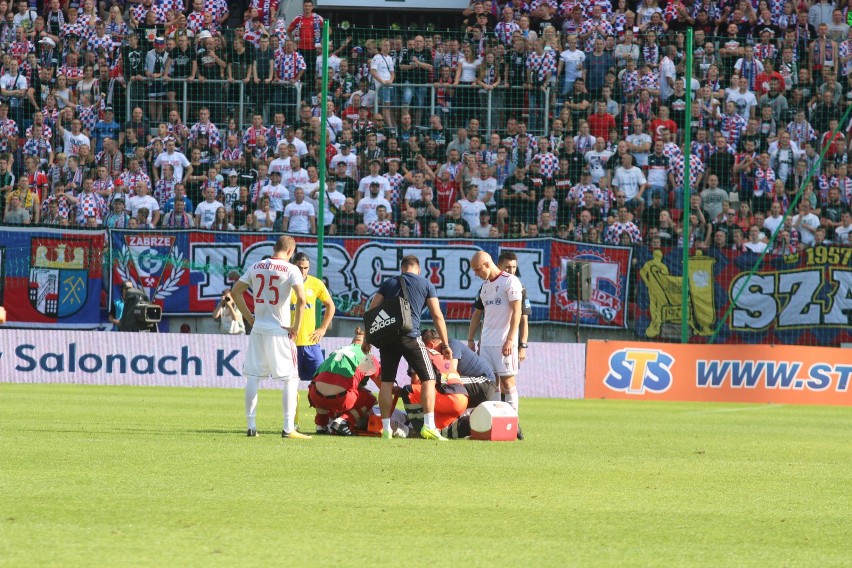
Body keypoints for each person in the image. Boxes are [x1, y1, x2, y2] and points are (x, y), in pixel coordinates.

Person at [361, 255, 453, 441]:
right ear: (418, 270)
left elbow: (371, 310)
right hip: (410, 336)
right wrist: (445, 343)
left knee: (386, 382)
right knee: (429, 378)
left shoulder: (389, 283)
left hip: (387, 338)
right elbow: (437, 315)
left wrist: (367, 337)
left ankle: (386, 429)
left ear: (402, 269)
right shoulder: (426, 284)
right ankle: (429, 426)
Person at [230, 236, 310, 439]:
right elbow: (302, 299)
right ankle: (288, 427)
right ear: (291, 251)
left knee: (253, 377)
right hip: (279, 330)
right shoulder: (292, 269)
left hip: (258, 329)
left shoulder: (256, 265)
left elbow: (236, 292)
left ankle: (251, 426)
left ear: (274, 248)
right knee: (291, 378)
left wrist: (249, 318)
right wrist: (296, 327)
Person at [468, 251, 523, 426]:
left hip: (503, 342)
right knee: (491, 383)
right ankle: (498, 422)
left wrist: (510, 339)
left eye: (477, 270)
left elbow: (517, 311)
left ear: (486, 265)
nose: (476, 274)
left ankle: (513, 423)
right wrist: (475, 339)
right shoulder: (485, 287)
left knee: (508, 382)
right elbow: (481, 316)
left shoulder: (510, 281)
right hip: (486, 343)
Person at [307, 328, 381, 436]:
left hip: (315, 395)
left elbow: (317, 377)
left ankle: (321, 426)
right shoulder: (366, 356)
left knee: (320, 391)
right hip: (340, 399)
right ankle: (343, 421)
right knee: (370, 399)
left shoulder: (338, 350)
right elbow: (382, 385)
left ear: (353, 341)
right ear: (369, 345)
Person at [289, 252, 336, 382]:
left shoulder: (316, 284)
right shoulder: (284, 284)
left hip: (311, 342)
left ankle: (317, 403)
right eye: (299, 267)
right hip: (290, 343)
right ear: (293, 266)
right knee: (290, 383)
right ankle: (293, 403)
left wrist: (323, 328)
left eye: (306, 268)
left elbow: (330, 305)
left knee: (321, 380)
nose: (303, 271)